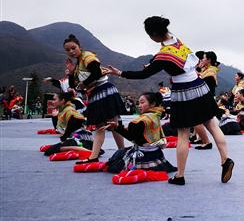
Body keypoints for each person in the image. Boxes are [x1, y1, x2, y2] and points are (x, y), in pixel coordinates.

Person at [106, 16, 234, 185]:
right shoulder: (177, 41)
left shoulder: (162, 56)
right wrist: (153, 63)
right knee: (211, 124)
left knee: (183, 134)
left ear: (153, 35)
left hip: (183, 92)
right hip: (199, 86)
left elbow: (144, 74)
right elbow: (166, 61)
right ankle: (225, 159)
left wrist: (120, 73)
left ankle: (180, 175)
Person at [62, 34, 125, 164]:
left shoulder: (87, 56)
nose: (71, 52)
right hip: (95, 94)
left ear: (80, 47)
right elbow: (74, 86)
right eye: (68, 50)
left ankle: (121, 151)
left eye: (73, 48)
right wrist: (70, 73)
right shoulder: (78, 65)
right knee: (101, 126)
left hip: (104, 90)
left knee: (113, 124)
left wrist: (84, 83)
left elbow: (96, 72)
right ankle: (95, 156)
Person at [103, 92, 177, 173]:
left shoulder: (139, 121)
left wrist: (116, 128)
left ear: (152, 104)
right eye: (138, 103)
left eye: (142, 102)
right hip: (157, 154)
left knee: (115, 161)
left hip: (143, 156)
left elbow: (131, 137)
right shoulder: (156, 115)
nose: (139, 105)